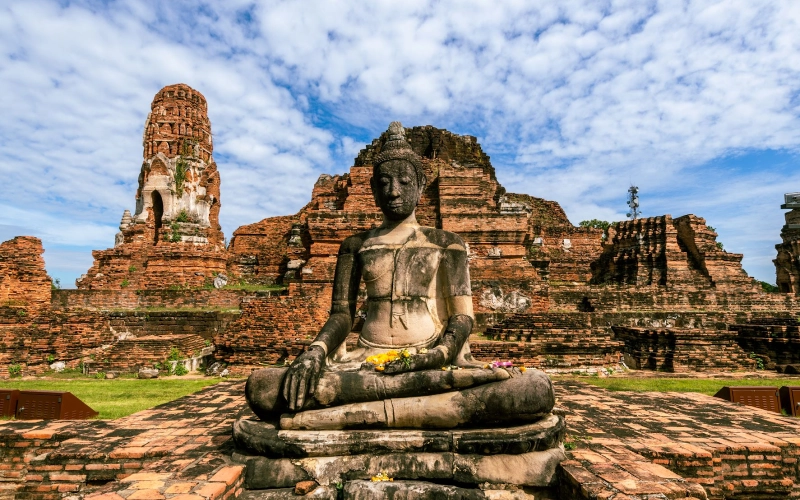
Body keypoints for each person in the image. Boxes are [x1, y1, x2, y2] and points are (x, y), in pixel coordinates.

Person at [245, 122, 554, 430]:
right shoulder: (355, 246)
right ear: (374, 190)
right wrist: (315, 352)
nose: (393, 191)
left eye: (404, 182)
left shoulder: (447, 244)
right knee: (264, 388)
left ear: (420, 187)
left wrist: (439, 354)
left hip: (430, 359)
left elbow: (462, 318)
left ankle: (351, 417)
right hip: (366, 361)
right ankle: (429, 413)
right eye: (384, 182)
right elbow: (341, 315)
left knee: (534, 389)